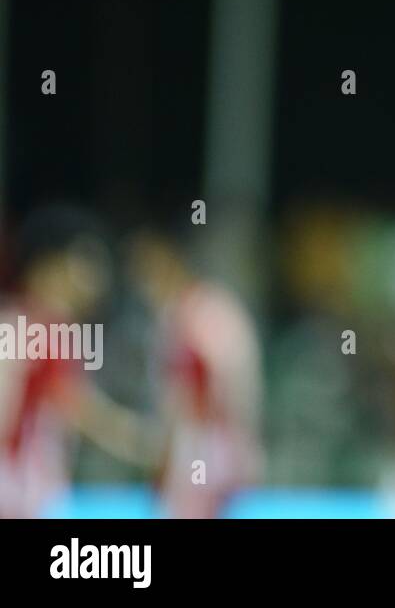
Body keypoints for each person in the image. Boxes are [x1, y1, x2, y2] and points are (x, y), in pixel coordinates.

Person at [0, 205, 154, 517]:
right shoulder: (24, 326)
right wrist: (139, 441)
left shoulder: (52, 329)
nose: (98, 276)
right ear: (48, 265)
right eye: (85, 260)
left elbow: (74, 404)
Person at [126, 228, 263, 518]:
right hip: (207, 445)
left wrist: (235, 446)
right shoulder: (188, 312)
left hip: (203, 446)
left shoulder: (202, 313)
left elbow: (230, 385)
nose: (143, 282)